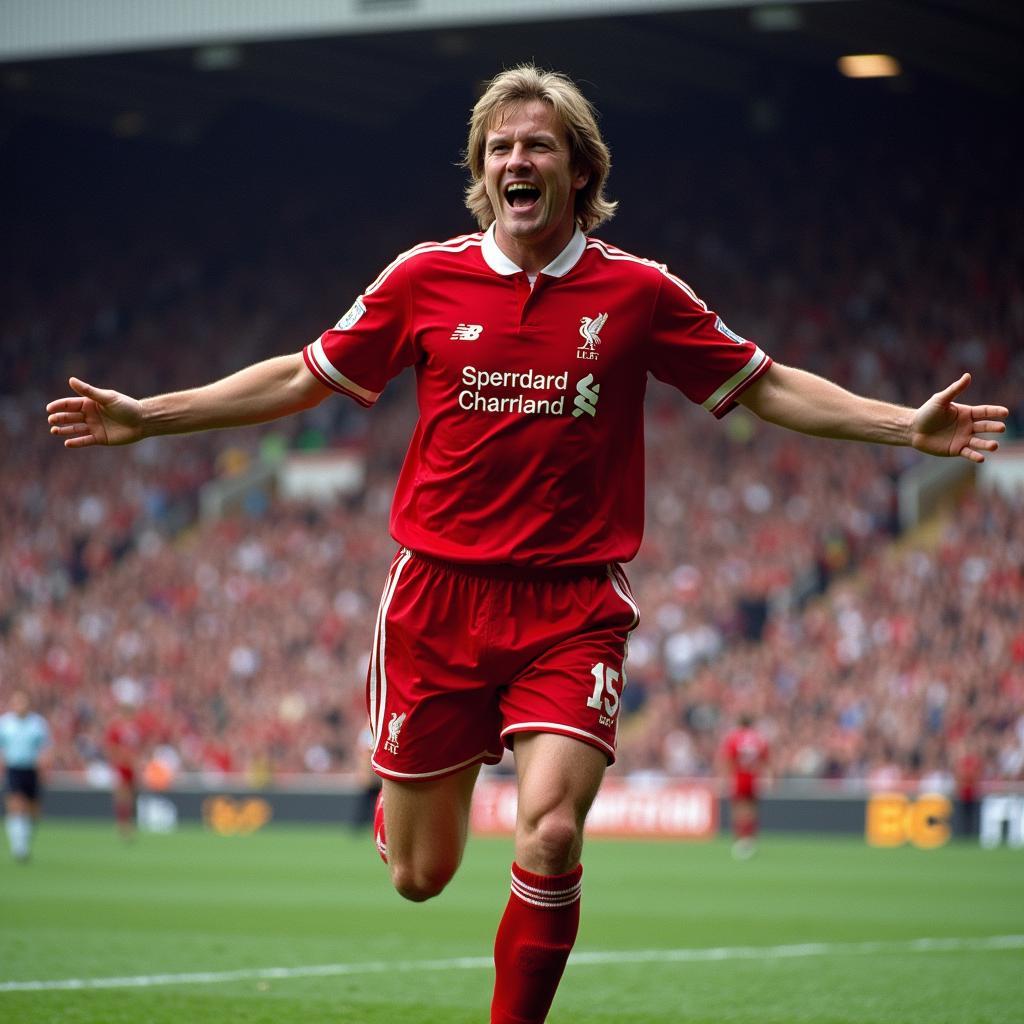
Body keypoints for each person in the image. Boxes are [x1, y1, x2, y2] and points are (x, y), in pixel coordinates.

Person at [44, 64, 1009, 1024]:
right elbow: (304, 377)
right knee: (422, 877)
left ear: (579, 170)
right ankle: (405, 808)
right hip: (436, 601)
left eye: (537, 144)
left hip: (572, 606)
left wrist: (901, 428)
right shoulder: (424, 277)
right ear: (480, 171)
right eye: (501, 146)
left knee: (550, 832)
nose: (517, 159)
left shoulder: (637, 292)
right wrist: (151, 415)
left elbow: (765, 385)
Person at [0, 690, 52, 863]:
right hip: (14, 768)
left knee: (33, 811)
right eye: (17, 702)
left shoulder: (37, 724)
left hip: (32, 769)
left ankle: (23, 841)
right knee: (16, 804)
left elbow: (45, 748)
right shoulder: (5, 723)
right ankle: (19, 848)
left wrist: (45, 767)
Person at [719, 713, 770, 859]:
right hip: (754, 777)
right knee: (752, 810)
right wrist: (766, 776)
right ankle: (750, 839)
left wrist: (726, 778)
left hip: (739, 776)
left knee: (739, 809)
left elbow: (728, 759)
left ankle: (741, 840)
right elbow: (765, 759)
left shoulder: (734, 738)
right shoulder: (759, 739)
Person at [105, 706, 143, 840]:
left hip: (131, 767)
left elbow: (137, 749)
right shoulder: (117, 729)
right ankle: (122, 825)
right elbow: (112, 748)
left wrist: (136, 762)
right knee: (122, 795)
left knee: (131, 796)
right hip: (121, 766)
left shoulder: (135, 730)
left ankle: (129, 824)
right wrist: (121, 760)